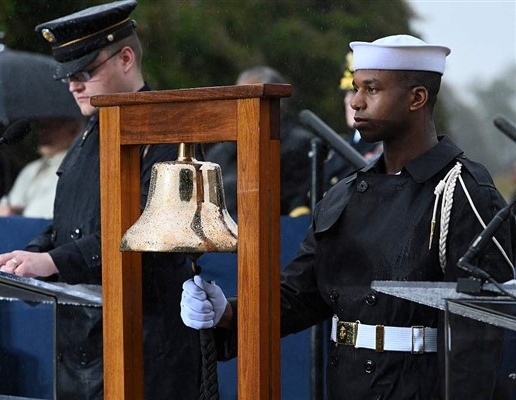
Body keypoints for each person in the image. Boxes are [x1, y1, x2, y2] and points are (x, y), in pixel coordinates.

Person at [181, 34, 515, 399]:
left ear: (416, 98)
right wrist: (227, 313)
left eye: (371, 89)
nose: (356, 101)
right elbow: (299, 296)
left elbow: (485, 333)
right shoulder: (344, 195)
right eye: (356, 88)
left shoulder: (464, 191)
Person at [0, 1, 201, 399]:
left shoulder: (168, 132)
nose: (74, 85)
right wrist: (30, 259)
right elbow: (69, 220)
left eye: (85, 71)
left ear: (125, 57)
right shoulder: (88, 136)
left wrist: (54, 262)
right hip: (83, 344)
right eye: (68, 76)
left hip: (145, 348)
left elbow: (151, 234)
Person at [205, 66, 313, 217]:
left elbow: (294, 202)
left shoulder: (298, 145)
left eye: (250, 98)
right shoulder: (220, 152)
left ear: (276, 102)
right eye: (237, 98)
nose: (241, 105)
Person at [0, 117, 81, 219]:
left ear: (74, 131)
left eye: (51, 127)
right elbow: (8, 205)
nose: (43, 132)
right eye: (41, 127)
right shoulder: (30, 169)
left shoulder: (77, 167)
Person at [323, 51, 382, 191]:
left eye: (356, 92)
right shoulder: (342, 144)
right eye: (348, 93)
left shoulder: (383, 148)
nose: (349, 101)